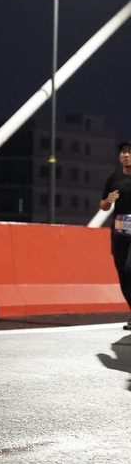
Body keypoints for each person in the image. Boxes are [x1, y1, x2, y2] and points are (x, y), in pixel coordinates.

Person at [99, 141, 131, 331]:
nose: (126, 155)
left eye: (130, 152)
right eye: (123, 152)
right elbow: (103, 207)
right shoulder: (114, 179)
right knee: (123, 276)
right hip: (119, 234)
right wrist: (108, 201)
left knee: (130, 268)